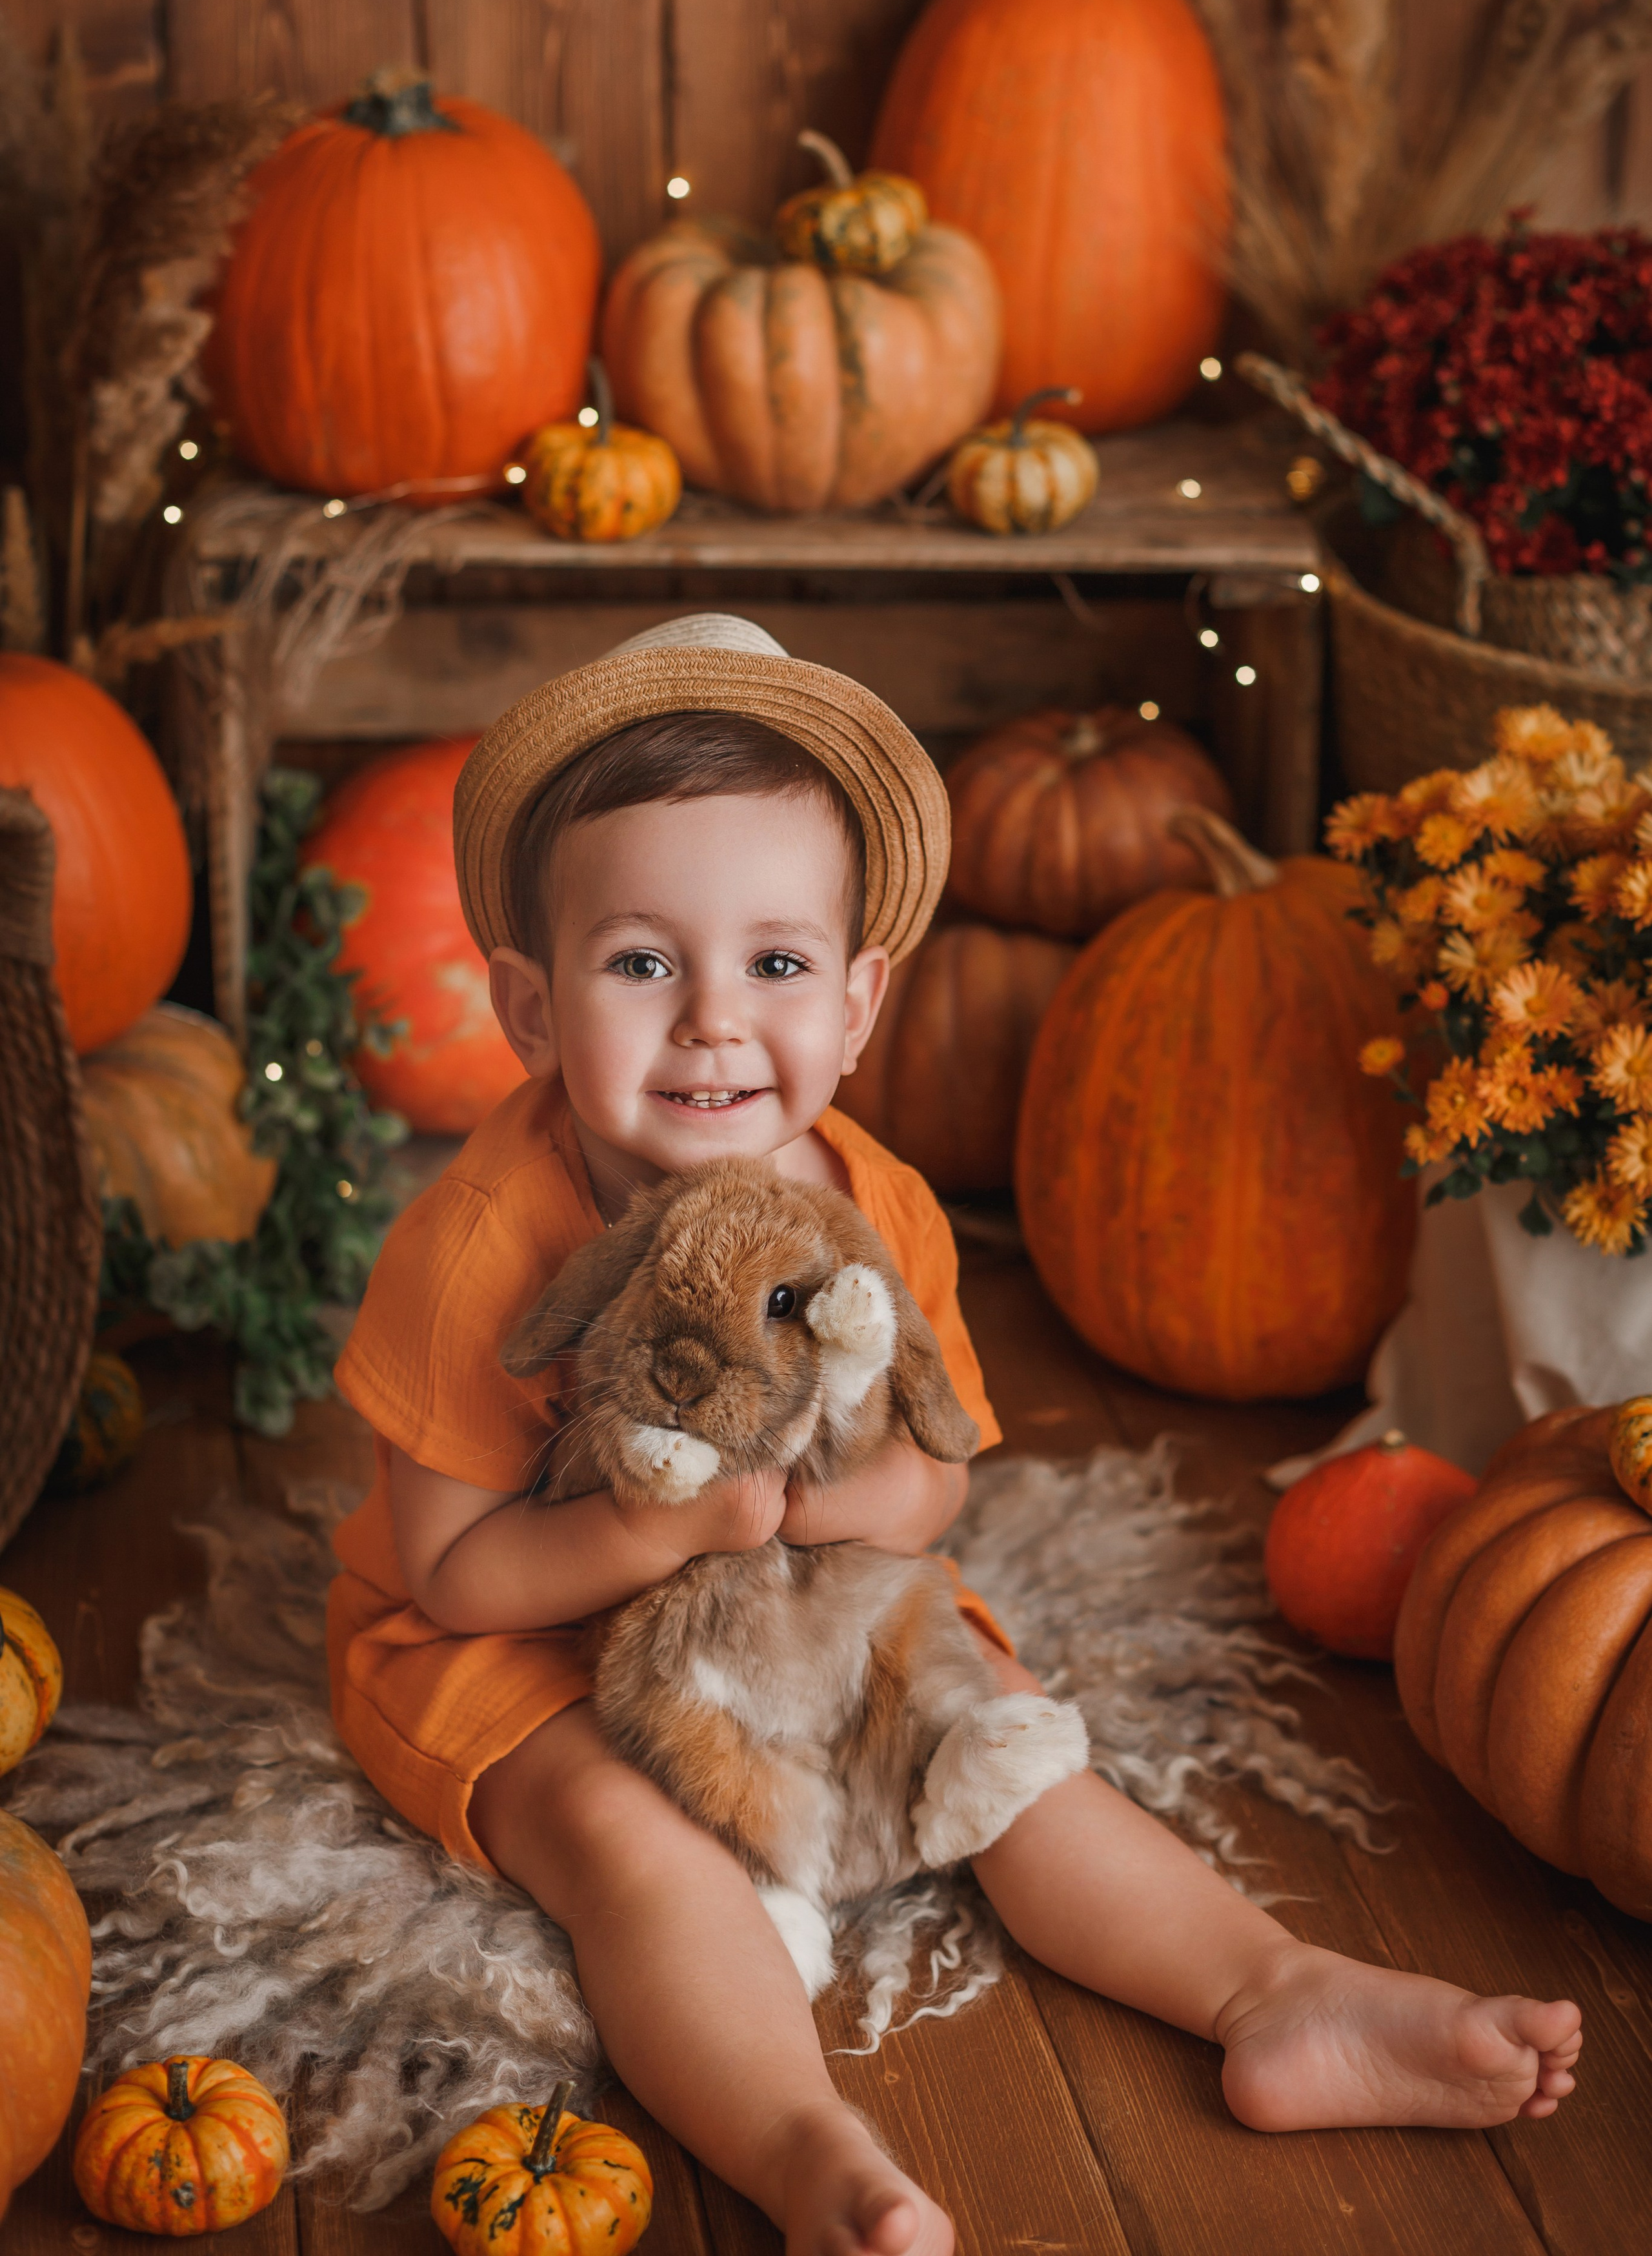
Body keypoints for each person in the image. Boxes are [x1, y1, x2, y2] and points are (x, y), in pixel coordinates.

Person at [327, 615, 1582, 2256]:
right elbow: (449, 1576)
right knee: (633, 1850)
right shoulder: (481, 1238)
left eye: (775, 966)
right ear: (529, 1005)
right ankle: (803, 2150)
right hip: (523, 1651)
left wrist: (829, 1518)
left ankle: (1273, 1992)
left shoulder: (874, 1205)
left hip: (801, 1600)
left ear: (857, 1004)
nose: (711, 1021)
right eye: (640, 964)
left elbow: (935, 1477)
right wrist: (655, 1530)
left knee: (1002, 1745)